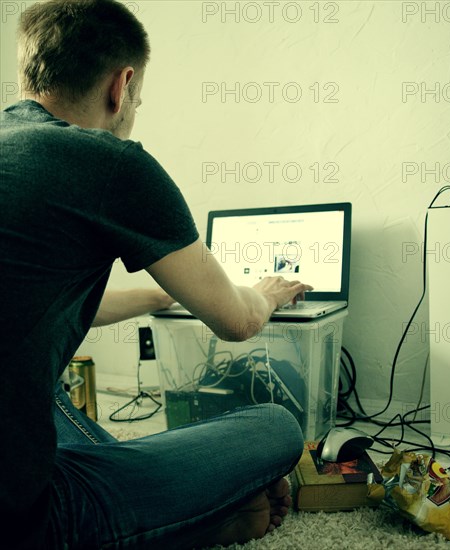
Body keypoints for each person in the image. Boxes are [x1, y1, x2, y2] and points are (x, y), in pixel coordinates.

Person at [0, 1, 313, 548]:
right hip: (20, 524)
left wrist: (154, 296)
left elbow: (36, 308)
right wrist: (263, 294)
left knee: (43, 393)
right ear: (121, 86)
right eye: (139, 97)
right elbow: (237, 323)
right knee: (278, 429)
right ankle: (202, 517)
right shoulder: (110, 161)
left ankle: (166, 499)